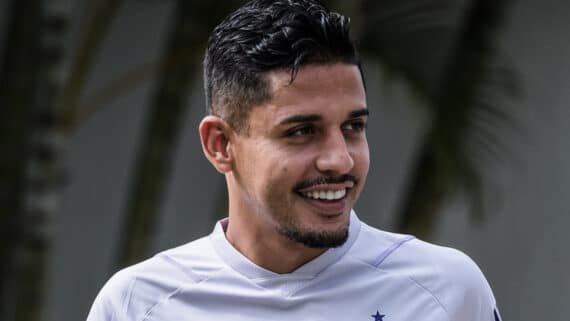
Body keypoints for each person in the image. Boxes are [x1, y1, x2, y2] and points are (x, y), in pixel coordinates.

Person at [87, 0, 502, 320]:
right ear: (220, 144)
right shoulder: (138, 305)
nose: (339, 160)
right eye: (301, 131)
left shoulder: (446, 292)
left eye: (353, 127)